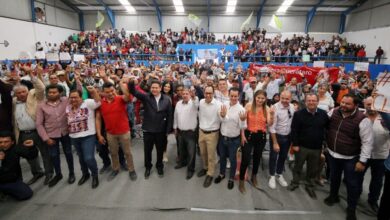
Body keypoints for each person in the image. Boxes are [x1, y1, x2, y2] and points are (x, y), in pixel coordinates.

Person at [324, 94, 373, 220]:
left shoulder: (363, 120)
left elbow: (367, 142)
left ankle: (351, 208)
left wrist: (362, 161)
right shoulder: (334, 111)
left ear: (356, 105)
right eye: (342, 102)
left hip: (351, 158)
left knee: (352, 184)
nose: (343, 105)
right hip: (333, 154)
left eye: (347, 104)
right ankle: (333, 196)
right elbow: (324, 121)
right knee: (334, 178)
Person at [12, 67, 53, 185]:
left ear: (27, 91)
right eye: (18, 93)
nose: (21, 94)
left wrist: (31, 74)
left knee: (45, 153)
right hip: (23, 134)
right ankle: (37, 173)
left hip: (38, 131)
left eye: (23, 92)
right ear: (15, 94)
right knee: (30, 156)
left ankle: (49, 173)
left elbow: (41, 88)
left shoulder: (35, 98)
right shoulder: (14, 102)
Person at [128, 78, 173, 179]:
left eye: (156, 88)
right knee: (147, 151)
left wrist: (167, 130)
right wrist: (131, 82)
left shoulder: (166, 99)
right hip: (148, 130)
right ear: (150, 88)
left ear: (160, 88)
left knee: (160, 150)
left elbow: (170, 115)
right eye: (152, 88)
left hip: (161, 131)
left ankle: (159, 166)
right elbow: (133, 91)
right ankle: (148, 167)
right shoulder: (146, 97)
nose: (154, 90)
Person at [287, 93, 329, 199]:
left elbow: (327, 129)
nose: (311, 102)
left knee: (312, 169)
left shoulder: (323, 114)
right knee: (298, 166)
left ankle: (310, 186)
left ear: (317, 102)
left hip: (316, 148)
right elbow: (294, 130)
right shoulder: (299, 114)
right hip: (301, 147)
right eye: (309, 100)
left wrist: (325, 145)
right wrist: (295, 144)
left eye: (313, 100)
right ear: (305, 102)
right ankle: (295, 182)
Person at [36, 84, 76, 187]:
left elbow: (78, 91)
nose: (52, 94)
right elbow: (39, 124)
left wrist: (77, 80)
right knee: (54, 155)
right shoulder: (41, 105)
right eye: (49, 92)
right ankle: (58, 174)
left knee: (68, 153)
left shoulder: (66, 100)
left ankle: (71, 173)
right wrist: (46, 138)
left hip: (65, 133)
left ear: (60, 93)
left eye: (54, 92)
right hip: (51, 135)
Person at [99, 80, 137, 181]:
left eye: (112, 91)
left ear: (115, 90)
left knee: (127, 152)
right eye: (107, 92)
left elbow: (128, 96)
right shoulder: (101, 103)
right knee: (113, 152)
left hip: (124, 131)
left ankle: (131, 169)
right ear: (103, 93)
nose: (110, 93)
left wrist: (120, 83)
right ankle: (115, 169)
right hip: (110, 133)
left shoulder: (120, 99)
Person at [66, 87, 101, 189]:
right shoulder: (67, 106)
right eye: (71, 98)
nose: (73, 100)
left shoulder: (88, 103)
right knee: (81, 158)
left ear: (81, 97)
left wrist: (94, 91)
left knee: (89, 157)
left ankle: (95, 175)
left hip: (88, 136)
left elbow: (98, 102)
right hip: (74, 136)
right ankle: (85, 174)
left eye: (75, 97)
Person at [239, 90, 273, 193]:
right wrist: (242, 136)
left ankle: (254, 176)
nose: (260, 100)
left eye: (262, 98)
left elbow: (269, 124)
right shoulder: (248, 106)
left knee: (257, 158)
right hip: (249, 135)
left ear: (265, 99)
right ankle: (241, 181)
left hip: (261, 136)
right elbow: (242, 121)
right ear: (255, 97)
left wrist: (272, 116)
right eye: (258, 97)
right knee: (245, 158)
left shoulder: (266, 108)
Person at [215, 87, 246, 190]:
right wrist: (223, 116)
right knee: (222, 157)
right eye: (231, 96)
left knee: (233, 160)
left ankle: (231, 178)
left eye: (235, 96)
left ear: (239, 96)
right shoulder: (224, 106)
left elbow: (243, 126)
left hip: (234, 140)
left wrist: (242, 120)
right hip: (223, 137)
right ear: (229, 95)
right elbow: (221, 120)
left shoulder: (241, 109)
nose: (233, 98)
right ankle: (221, 174)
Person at [363, 97, 390, 213]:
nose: (371, 106)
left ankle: (372, 201)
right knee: (357, 177)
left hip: (380, 155)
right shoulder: (360, 117)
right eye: (368, 104)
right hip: (363, 154)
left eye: (373, 104)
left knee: (377, 181)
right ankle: (354, 195)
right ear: (364, 105)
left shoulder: (386, 119)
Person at [268, 90, 295, 189]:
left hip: (287, 137)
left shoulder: (292, 107)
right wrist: (275, 142)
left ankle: (279, 174)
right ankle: (271, 176)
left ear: (290, 98)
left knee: (283, 157)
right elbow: (272, 128)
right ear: (280, 97)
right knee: (273, 156)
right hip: (276, 136)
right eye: (282, 98)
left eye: (287, 99)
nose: (284, 100)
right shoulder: (274, 108)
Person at [0, 131, 37, 200]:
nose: (3, 144)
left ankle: (6, 191)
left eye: (6, 142)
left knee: (26, 194)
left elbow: (32, 156)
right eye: (0, 142)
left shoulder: (15, 149)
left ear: (12, 142)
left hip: (12, 180)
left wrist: (32, 147)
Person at [197, 85, 222, 188]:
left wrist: (224, 115)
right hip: (201, 132)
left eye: (210, 93)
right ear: (204, 93)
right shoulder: (201, 102)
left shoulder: (219, 104)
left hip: (212, 134)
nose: (208, 95)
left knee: (211, 155)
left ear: (213, 93)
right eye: (206, 93)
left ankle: (210, 174)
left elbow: (223, 118)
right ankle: (205, 167)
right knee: (203, 153)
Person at [173, 87, 199, 179]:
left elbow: (196, 104)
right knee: (181, 149)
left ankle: (191, 170)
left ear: (190, 94)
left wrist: (194, 97)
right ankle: (182, 162)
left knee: (191, 153)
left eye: (186, 93)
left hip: (190, 133)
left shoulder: (194, 104)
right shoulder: (178, 104)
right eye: (183, 93)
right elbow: (175, 116)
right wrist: (175, 127)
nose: (184, 95)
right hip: (180, 132)